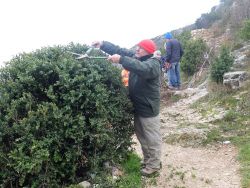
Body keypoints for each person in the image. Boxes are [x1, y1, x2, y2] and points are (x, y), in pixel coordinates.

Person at [92, 39, 162, 176]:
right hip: (138, 106)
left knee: (152, 138)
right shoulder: (138, 58)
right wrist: (103, 44)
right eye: (137, 47)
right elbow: (121, 51)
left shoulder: (153, 64)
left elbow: (142, 68)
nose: (137, 50)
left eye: (140, 48)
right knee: (142, 136)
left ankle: (154, 166)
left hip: (148, 108)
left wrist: (121, 60)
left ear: (148, 51)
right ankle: (149, 161)